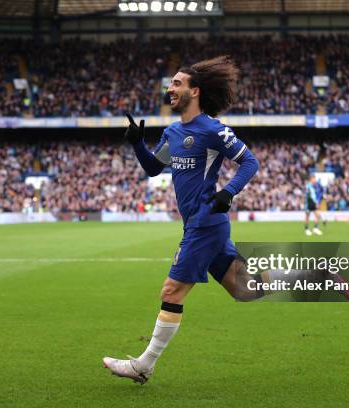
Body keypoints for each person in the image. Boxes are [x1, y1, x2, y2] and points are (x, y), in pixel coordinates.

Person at [102, 56, 268, 384]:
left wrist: (229, 191)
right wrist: (137, 144)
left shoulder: (212, 129)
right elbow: (153, 168)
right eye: (171, 84)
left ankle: (143, 365)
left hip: (207, 222)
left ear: (195, 90)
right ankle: (319, 274)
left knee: (172, 290)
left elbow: (250, 162)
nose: (170, 88)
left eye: (177, 83)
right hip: (198, 224)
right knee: (245, 289)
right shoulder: (173, 132)